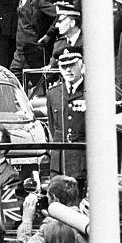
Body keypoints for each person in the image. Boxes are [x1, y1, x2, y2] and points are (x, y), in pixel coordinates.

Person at [46, 47, 86, 184]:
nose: (68, 70)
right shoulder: (53, 94)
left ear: (82, 67)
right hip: (59, 164)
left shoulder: (91, 93)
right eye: (64, 67)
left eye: (72, 65)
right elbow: (53, 128)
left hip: (82, 164)